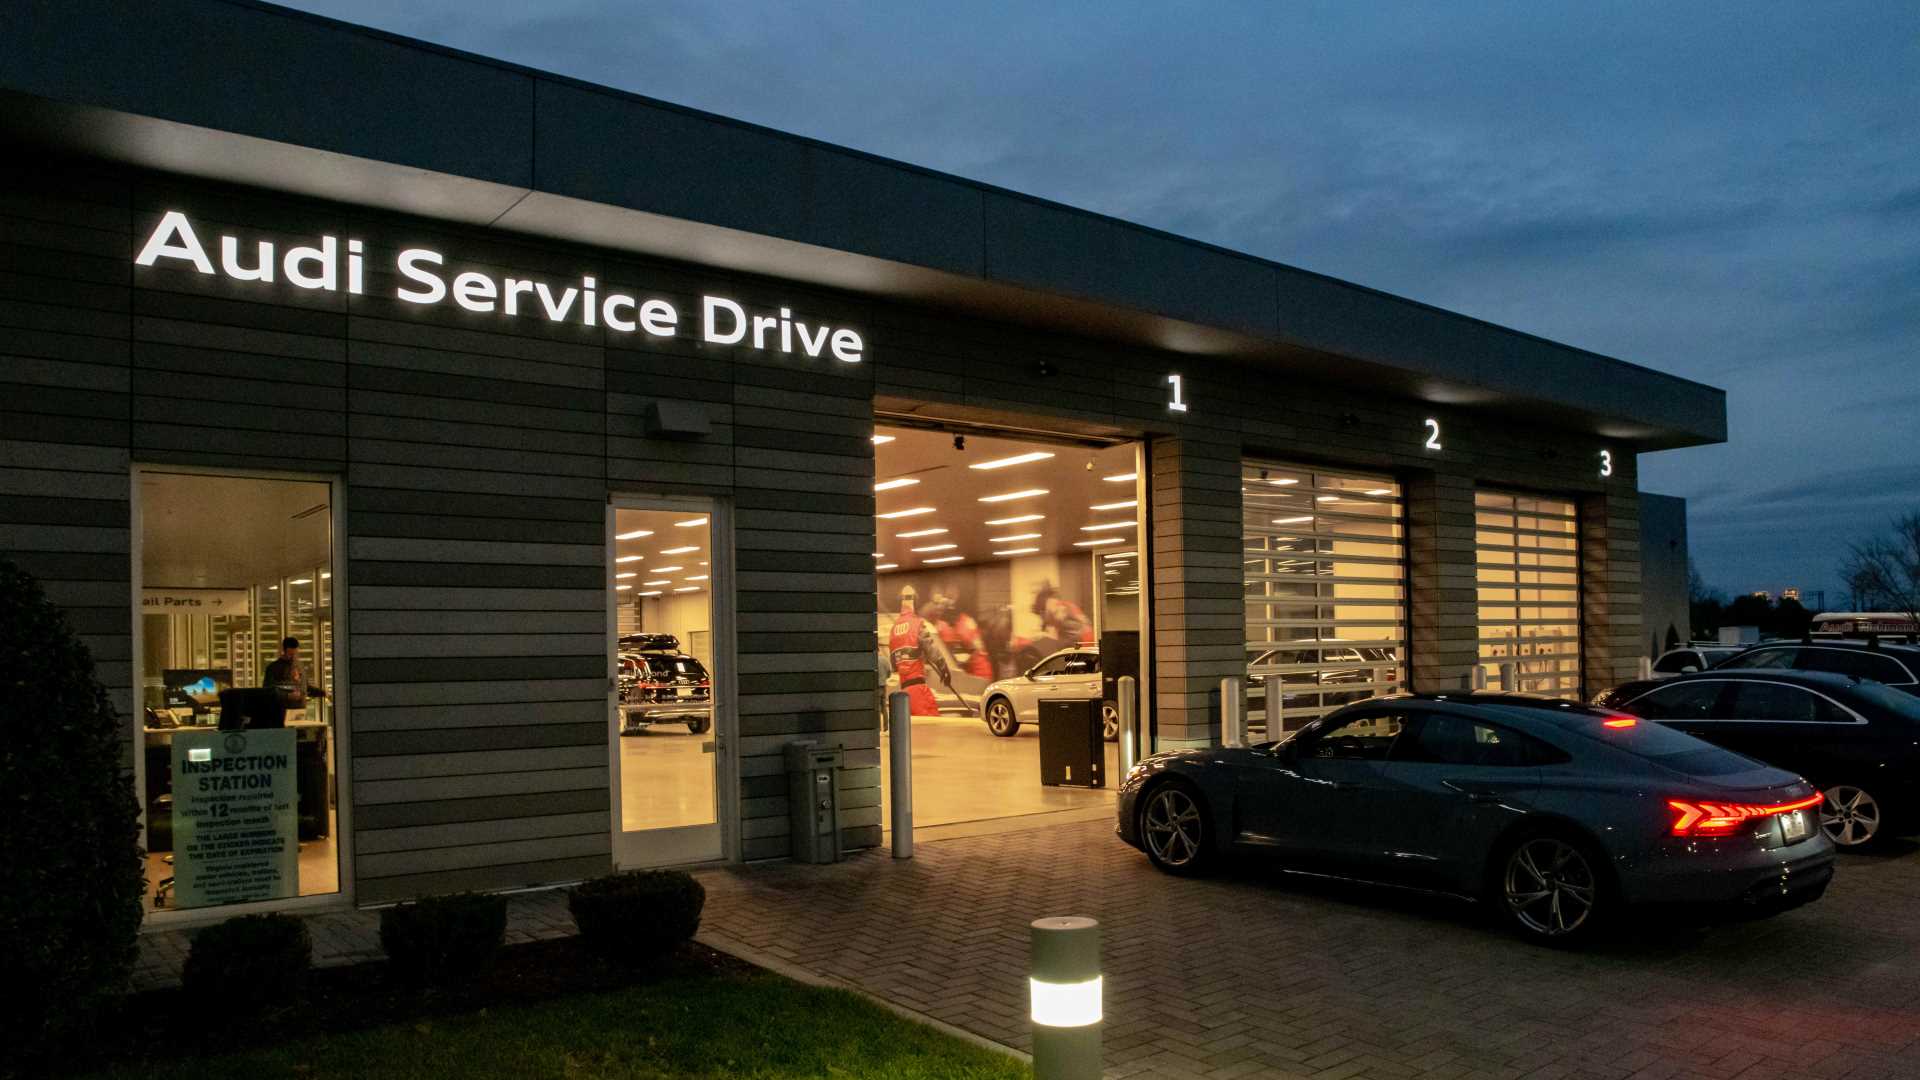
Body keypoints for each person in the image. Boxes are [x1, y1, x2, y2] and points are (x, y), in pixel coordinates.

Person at [887, 586, 947, 717]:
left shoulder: (893, 629)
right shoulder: (917, 624)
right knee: (933, 727)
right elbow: (931, 648)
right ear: (915, 602)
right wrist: (943, 666)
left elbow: (894, 665)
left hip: (904, 693)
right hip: (919, 690)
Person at [264, 636, 325, 710]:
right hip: (281, 711)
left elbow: (306, 687)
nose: (293, 657)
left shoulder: (300, 666)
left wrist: (323, 693)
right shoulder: (273, 668)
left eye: (295, 654)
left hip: (300, 710)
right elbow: (268, 691)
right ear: (283, 651)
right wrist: (287, 695)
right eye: (290, 654)